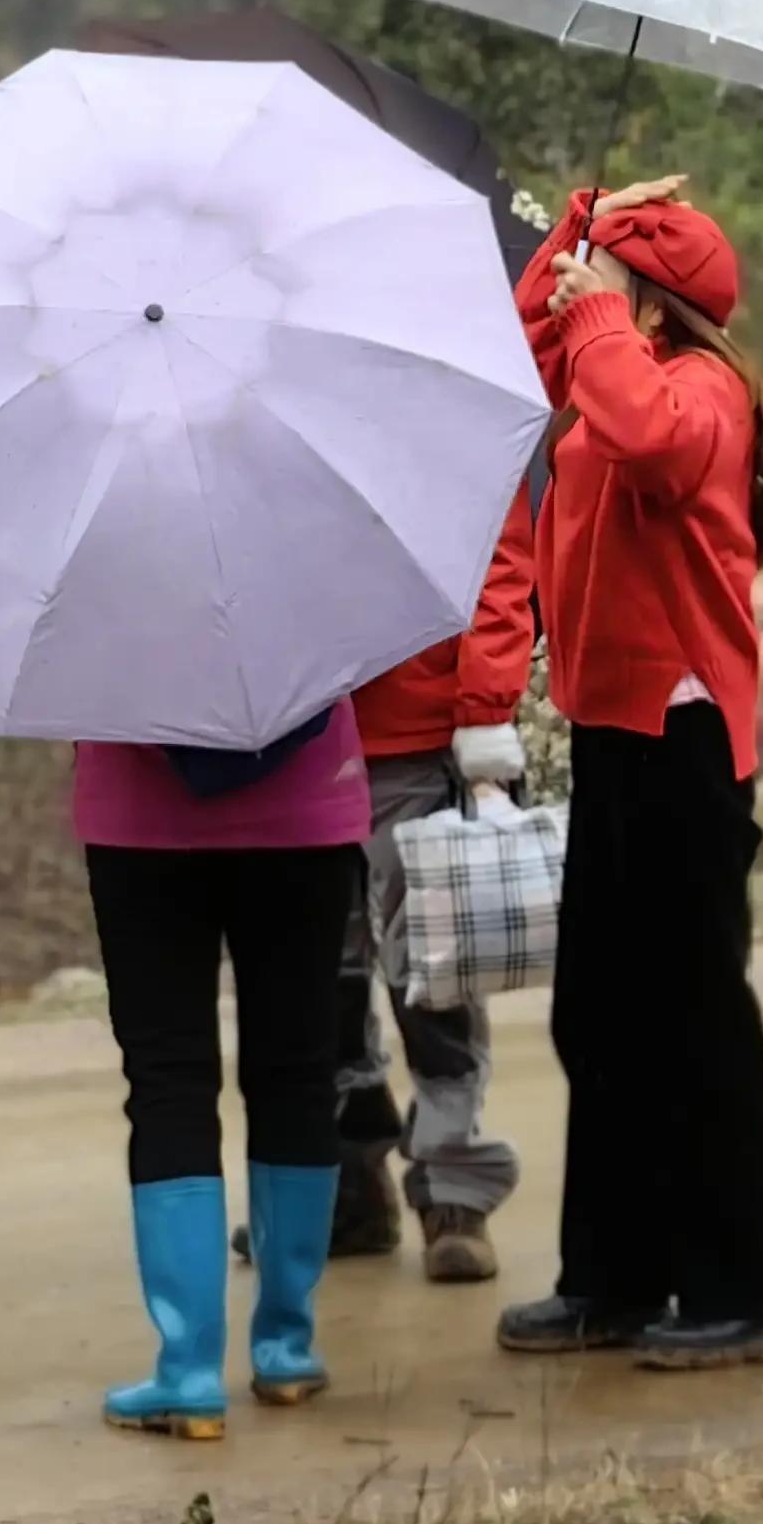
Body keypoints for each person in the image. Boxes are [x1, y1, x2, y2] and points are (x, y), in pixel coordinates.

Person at [493, 172, 763, 1372]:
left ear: (657, 303)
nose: (581, 294)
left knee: (697, 1019)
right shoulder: (611, 358)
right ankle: (612, 1277)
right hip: (616, 730)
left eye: (608, 277)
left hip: (684, 740)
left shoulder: (701, 391)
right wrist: (579, 231)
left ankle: (742, 1287)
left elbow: (653, 446)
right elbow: (522, 349)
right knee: (602, 1016)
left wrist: (604, 313)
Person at [75, 699, 372, 1438]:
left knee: (168, 1081)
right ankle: (286, 1348)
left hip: (140, 821)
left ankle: (190, 1370)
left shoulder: (100, 579)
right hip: (307, 807)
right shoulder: (319, 574)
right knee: (298, 1072)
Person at [323, 505, 536, 1281]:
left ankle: (455, 1188)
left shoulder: (435, 406)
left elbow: (500, 564)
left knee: (430, 976)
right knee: (317, 980)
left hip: (412, 741)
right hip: (285, 744)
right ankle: (345, 1182)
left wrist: (483, 713)